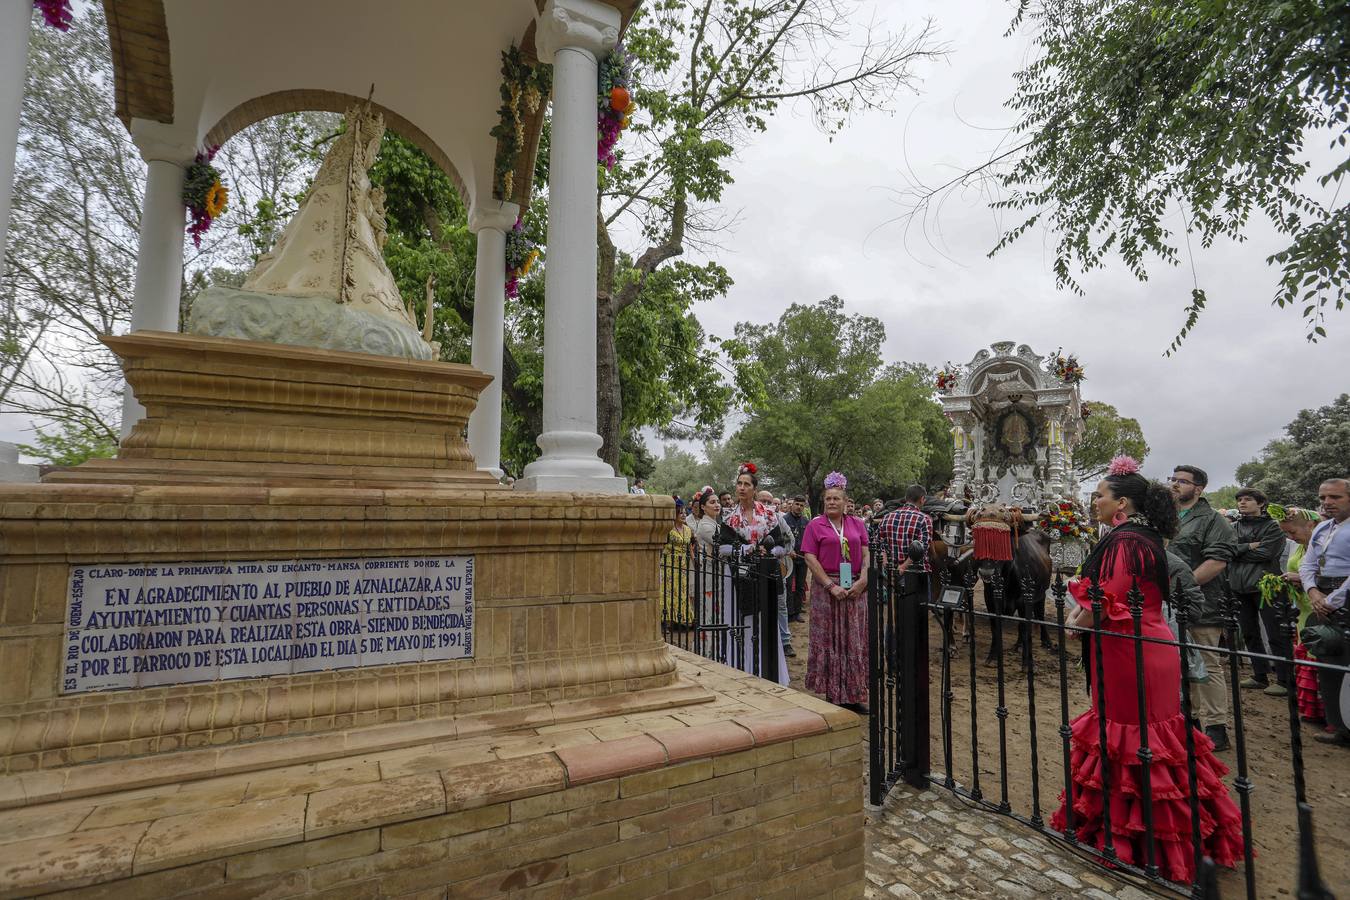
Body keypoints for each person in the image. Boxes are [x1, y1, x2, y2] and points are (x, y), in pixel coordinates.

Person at [1053, 457, 1245, 883]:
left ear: (1121, 502)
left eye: (1099, 495)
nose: (1094, 501)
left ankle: (1142, 839)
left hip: (1131, 650)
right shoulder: (1141, 537)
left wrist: (1074, 622)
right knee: (1152, 738)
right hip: (1141, 643)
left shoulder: (1125, 542)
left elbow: (1107, 599)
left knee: (1133, 738)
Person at [1168, 464, 1238, 750]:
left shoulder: (1212, 521)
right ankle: (1189, 720)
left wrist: (1179, 587)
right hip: (1170, 606)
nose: (1174, 484)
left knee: (1207, 664)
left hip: (1202, 605)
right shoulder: (1165, 519)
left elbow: (1216, 562)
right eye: (1172, 479)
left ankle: (1216, 726)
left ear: (1198, 488)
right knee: (1179, 664)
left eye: (1181, 481)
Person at [801, 472, 871, 712]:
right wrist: (830, 586)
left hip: (855, 588)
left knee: (854, 640)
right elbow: (809, 557)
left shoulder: (857, 524)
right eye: (828, 499)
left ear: (845, 502)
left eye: (836, 499)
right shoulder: (815, 525)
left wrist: (863, 579)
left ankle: (853, 694)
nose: (832, 502)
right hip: (827, 590)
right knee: (830, 640)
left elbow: (866, 553)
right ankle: (833, 694)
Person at [723, 463, 790, 685]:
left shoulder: (769, 515)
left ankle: (768, 670)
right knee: (742, 621)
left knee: (766, 621)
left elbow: (781, 547)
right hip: (740, 577)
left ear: (754, 489)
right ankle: (743, 668)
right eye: (739, 484)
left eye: (746, 484)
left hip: (765, 576)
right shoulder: (728, 518)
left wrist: (768, 550)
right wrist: (744, 549)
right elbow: (721, 548)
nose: (741, 488)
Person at [1299, 478, 1350, 747]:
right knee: (1328, 662)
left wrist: (1335, 598)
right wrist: (1313, 592)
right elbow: (1308, 564)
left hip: (1343, 599)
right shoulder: (1322, 529)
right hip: (1322, 597)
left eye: (1335, 497)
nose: (1327, 503)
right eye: (1323, 497)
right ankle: (1338, 726)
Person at [1226, 487, 1291, 695]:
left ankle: (1285, 680)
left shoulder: (1274, 526)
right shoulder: (1233, 527)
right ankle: (1259, 675)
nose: (1242, 503)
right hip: (1239, 585)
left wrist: (1239, 550)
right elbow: (1225, 550)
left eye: (1247, 499)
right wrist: (1249, 547)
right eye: (1240, 500)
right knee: (1249, 633)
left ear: (1261, 503)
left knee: (1276, 633)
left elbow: (1268, 552)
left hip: (1266, 584)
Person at [1270, 504, 1329, 727]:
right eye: (1285, 533)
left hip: (1321, 608)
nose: (1289, 537)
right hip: (1303, 609)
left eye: (1292, 532)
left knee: (1321, 660)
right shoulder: (1300, 547)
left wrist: (1300, 579)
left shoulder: (1324, 547)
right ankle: (1314, 711)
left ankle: (1329, 715)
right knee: (1307, 657)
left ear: (1312, 525)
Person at [876, 484, 932, 575]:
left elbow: (879, 545)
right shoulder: (924, 519)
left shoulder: (886, 517)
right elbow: (921, 549)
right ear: (922, 499)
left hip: (889, 575)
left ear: (906, 498)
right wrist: (902, 568)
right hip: (916, 575)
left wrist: (888, 569)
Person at [660, 497, 693, 627]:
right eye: (680, 512)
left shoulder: (688, 529)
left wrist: (694, 560)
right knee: (668, 590)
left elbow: (690, 546)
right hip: (669, 563)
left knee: (681, 590)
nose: (684, 515)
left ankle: (682, 618)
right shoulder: (667, 529)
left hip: (683, 564)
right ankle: (667, 619)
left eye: (685, 512)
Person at [782, 496, 810, 624]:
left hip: (802, 558)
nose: (799, 507)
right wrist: (788, 550)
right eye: (797, 504)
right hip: (788, 558)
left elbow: (810, 539)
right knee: (788, 586)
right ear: (792, 505)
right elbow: (780, 538)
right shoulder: (784, 519)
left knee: (800, 586)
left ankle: (797, 612)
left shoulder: (806, 521)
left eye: (801, 505)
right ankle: (789, 613)